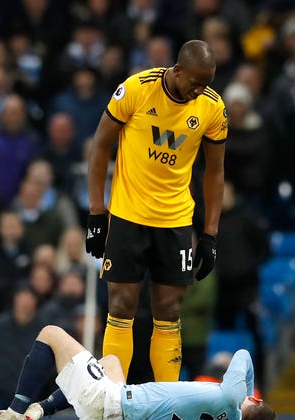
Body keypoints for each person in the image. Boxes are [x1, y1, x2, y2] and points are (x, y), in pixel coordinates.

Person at [85, 39, 227, 382]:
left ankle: (169, 399)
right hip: (127, 215)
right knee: (120, 305)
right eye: (195, 81)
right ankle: (112, 398)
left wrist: (209, 234)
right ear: (177, 70)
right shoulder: (135, 89)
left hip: (175, 220)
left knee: (169, 309)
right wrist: (96, 214)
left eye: (206, 83)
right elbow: (100, 147)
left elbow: (215, 172)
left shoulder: (212, 107)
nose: (199, 89)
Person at [0, 324, 275, 420]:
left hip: (111, 404)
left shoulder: (230, 397)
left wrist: (247, 389)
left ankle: (14, 412)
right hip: (120, 415)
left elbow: (243, 355)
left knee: (51, 333)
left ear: (251, 404)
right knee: (111, 361)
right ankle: (41, 408)